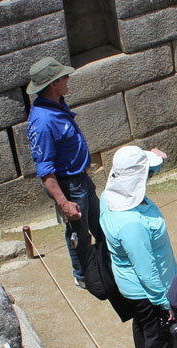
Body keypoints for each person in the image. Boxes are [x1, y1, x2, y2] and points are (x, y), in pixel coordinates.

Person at [100, 145, 177, 348]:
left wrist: (156, 158)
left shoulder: (108, 195)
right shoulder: (131, 224)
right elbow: (146, 271)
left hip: (131, 287)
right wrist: (164, 302)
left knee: (143, 326)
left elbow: (141, 172)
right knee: (157, 337)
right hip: (148, 290)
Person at [25, 56, 107, 288]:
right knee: (78, 233)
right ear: (53, 84)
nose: (68, 79)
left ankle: (104, 263)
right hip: (70, 186)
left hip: (81, 179)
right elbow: (46, 171)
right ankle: (83, 275)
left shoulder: (58, 103)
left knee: (99, 223)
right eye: (64, 77)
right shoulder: (42, 122)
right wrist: (64, 203)